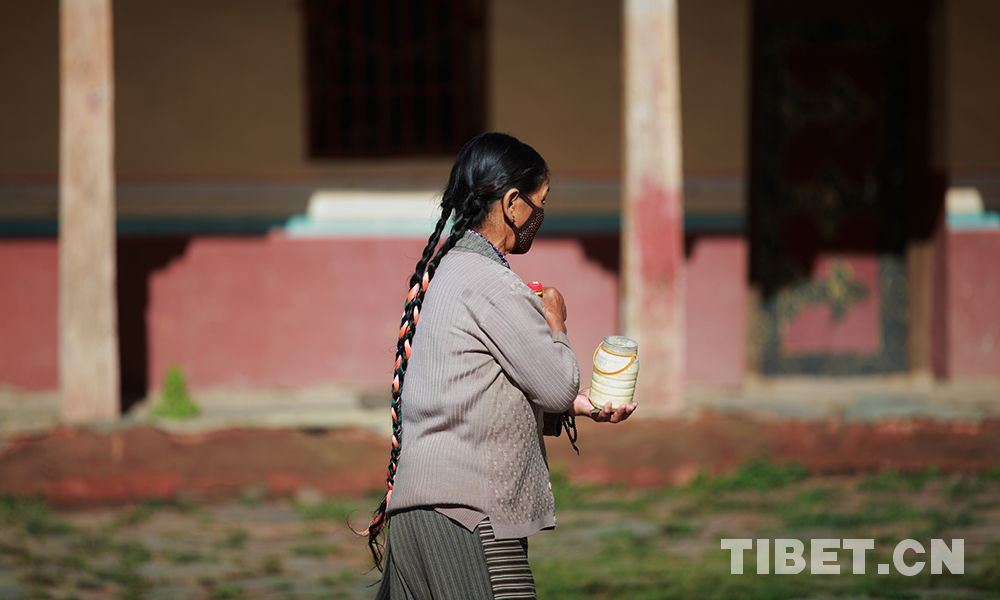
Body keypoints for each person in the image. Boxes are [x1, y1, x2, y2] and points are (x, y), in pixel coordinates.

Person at [366, 132, 636, 599]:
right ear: (513, 204)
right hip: (467, 518)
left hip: (415, 516)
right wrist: (555, 320)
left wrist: (580, 407)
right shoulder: (492, 283)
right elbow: (554, 385)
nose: (540, 217)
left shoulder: (449, 272)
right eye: (539, 202)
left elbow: (477, 389)